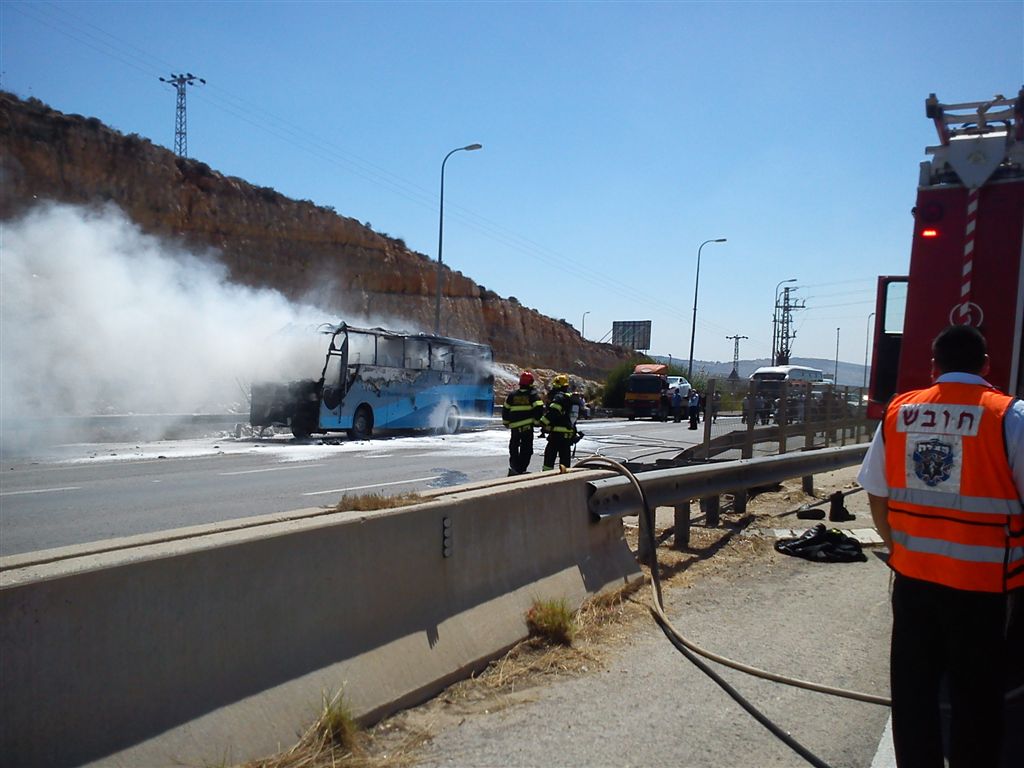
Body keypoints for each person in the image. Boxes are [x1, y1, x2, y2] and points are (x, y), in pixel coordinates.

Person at [857, 324, 1024, 768]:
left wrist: (895, 545)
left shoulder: (900, 412)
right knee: (978, 696)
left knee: (913, 692)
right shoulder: (1010, 417)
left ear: (934, 367)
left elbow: (876, 490)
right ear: (987, 365)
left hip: (912, 582)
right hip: (984, 588)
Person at [501, 370, 544, 476]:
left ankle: (515, 467)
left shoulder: (512, 395)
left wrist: (506, 422)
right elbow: (539, 409)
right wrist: (537, 422)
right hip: (527, 428)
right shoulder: (533, 395)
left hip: (515, 428)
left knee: (514, 447)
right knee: (526, 449)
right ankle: (521, 468)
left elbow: (505, 409)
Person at [540, 373, 583, 472]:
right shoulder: (570, 398)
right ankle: (564, 481)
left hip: (556, 435)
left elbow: (553, 412)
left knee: (549, 461)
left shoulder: (559, 397)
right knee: (565, 463)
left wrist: (543, 422)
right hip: (568, 436)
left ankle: (545, 479)